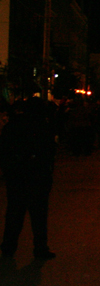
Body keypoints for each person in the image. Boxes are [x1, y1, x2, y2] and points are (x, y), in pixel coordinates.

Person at [1, 96, 57, 260]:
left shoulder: (13, 126)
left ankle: (8, 246)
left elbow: (4, 150)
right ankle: (40, 248)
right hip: (37, 175)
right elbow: (48, 152)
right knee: (38, 215)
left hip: (17, 176)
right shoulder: (42, 126)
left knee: (15, 212)